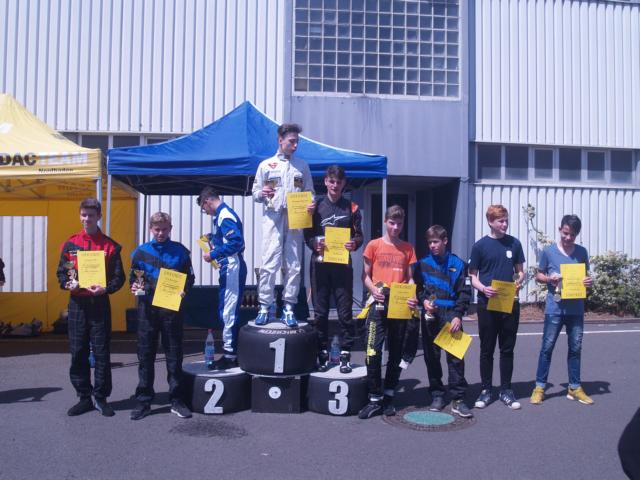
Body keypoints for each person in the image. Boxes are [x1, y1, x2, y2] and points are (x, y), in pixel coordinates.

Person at [56, 198, 125, 417]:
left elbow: (119, 278)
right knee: (78, 351)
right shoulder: (70, 244)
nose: (87, 219)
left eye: (91, 215)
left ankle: (101, 397)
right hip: (77, 304)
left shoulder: (110, 245)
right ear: (80, 215)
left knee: (102, 352)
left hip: (99, 303)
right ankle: (84, 398)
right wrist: (68, 283)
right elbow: (61, 273)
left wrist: (105, 289)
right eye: (84, 215)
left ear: (99, 217)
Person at [129, 212, 195, 420]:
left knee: (174, 356)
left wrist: (185, 289)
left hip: (171, 310)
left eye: (164, 229)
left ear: (170, 229)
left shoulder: (181, 252)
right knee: (145, 356)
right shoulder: (140, 253)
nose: (160, 233)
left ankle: (176, 399)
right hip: (147, 311)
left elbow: (189, 278)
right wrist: (134, 287)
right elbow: (133, 279)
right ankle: (143, 401)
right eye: (157, 229)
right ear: (151, 229)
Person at [251, 123, 315, 328]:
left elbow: (310, 192)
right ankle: (264, 307)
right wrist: (262, 193)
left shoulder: (302, 166)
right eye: (292, 141)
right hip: (273, 218)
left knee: (293, 265)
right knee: (269, 264)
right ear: (280, 140)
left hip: (295, 220)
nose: (295, 145)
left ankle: (288, 307)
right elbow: (255, 192)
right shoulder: (266, 165)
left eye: (297, 142)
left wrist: (311, 203)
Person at [358, 205, 418, 419]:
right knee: (372, 351)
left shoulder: (408, 248)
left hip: (399, 304)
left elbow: (410, 278)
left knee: (396, 352)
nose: (395, 227)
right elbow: (365, 276)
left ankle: (389, 395)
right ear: (385, 222)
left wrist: (412, 294)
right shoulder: (373, 245)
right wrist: (373, 289)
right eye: (392, 223)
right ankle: (374, 398)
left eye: (399, 224)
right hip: (378, 302)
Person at [530, 214, 594, 405]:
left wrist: (588, 282)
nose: (568, 238)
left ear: (577, 235)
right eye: (565, 233)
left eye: (572, 235)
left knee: (575, 349)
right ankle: (540, 387)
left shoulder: (582, 252)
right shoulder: (549, 251)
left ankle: (574, 387)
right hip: (555, 308)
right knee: (547, 348)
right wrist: (549, 279)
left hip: (576, 309)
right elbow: (539, 275)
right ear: (560, 229)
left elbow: (585, 277)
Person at [304, 165, 363, 373]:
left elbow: (359, 236)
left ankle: (345, 354)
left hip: (342, 267)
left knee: (345, 313)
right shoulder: (316, 206)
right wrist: (314, 244)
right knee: (320, 314)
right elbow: (307, 235)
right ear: (326, 182)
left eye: (339, 182)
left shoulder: (352, 207)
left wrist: (354, 244)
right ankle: (321, 353)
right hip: (319, 266)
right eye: (332, 181)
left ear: (344, 183)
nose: (335, 185)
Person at [412, 225, 473, 418]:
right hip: (430, 315)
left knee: (455, 358)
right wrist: (423, 301)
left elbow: (465, 292)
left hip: (451, 314)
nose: (432, 246)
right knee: (432, 357)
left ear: (445, 241)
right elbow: (418, 289)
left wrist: (458, 315)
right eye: (430, 242)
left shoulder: (458, 263)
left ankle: (458, 399)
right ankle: (437, 394)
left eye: (436, 242)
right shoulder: (421, 264)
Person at [469, 204, 525, 410]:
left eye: (506, 220)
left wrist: (519, 281)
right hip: (487, 304)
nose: (505, 224)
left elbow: (520, 272)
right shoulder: (480, 246)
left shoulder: (514, 244)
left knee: (507, 348)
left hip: (509, 303)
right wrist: (484, 289)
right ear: (490, 222)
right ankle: (486, 390)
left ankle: (506, 390)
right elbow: (472, 277)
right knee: (487, 349)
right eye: (501, 221)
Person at [197, 187, 247, 370]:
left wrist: (213, 253)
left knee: (228, 311)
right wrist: (214, 238)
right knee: (226, 309)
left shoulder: (224, 215)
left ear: (207, 201)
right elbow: (228, 240)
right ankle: (230, 352)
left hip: (232, 266)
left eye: (204, 209)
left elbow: (236, 242)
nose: (206, 212)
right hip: (229, 267)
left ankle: (230, 355)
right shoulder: (223, 215)